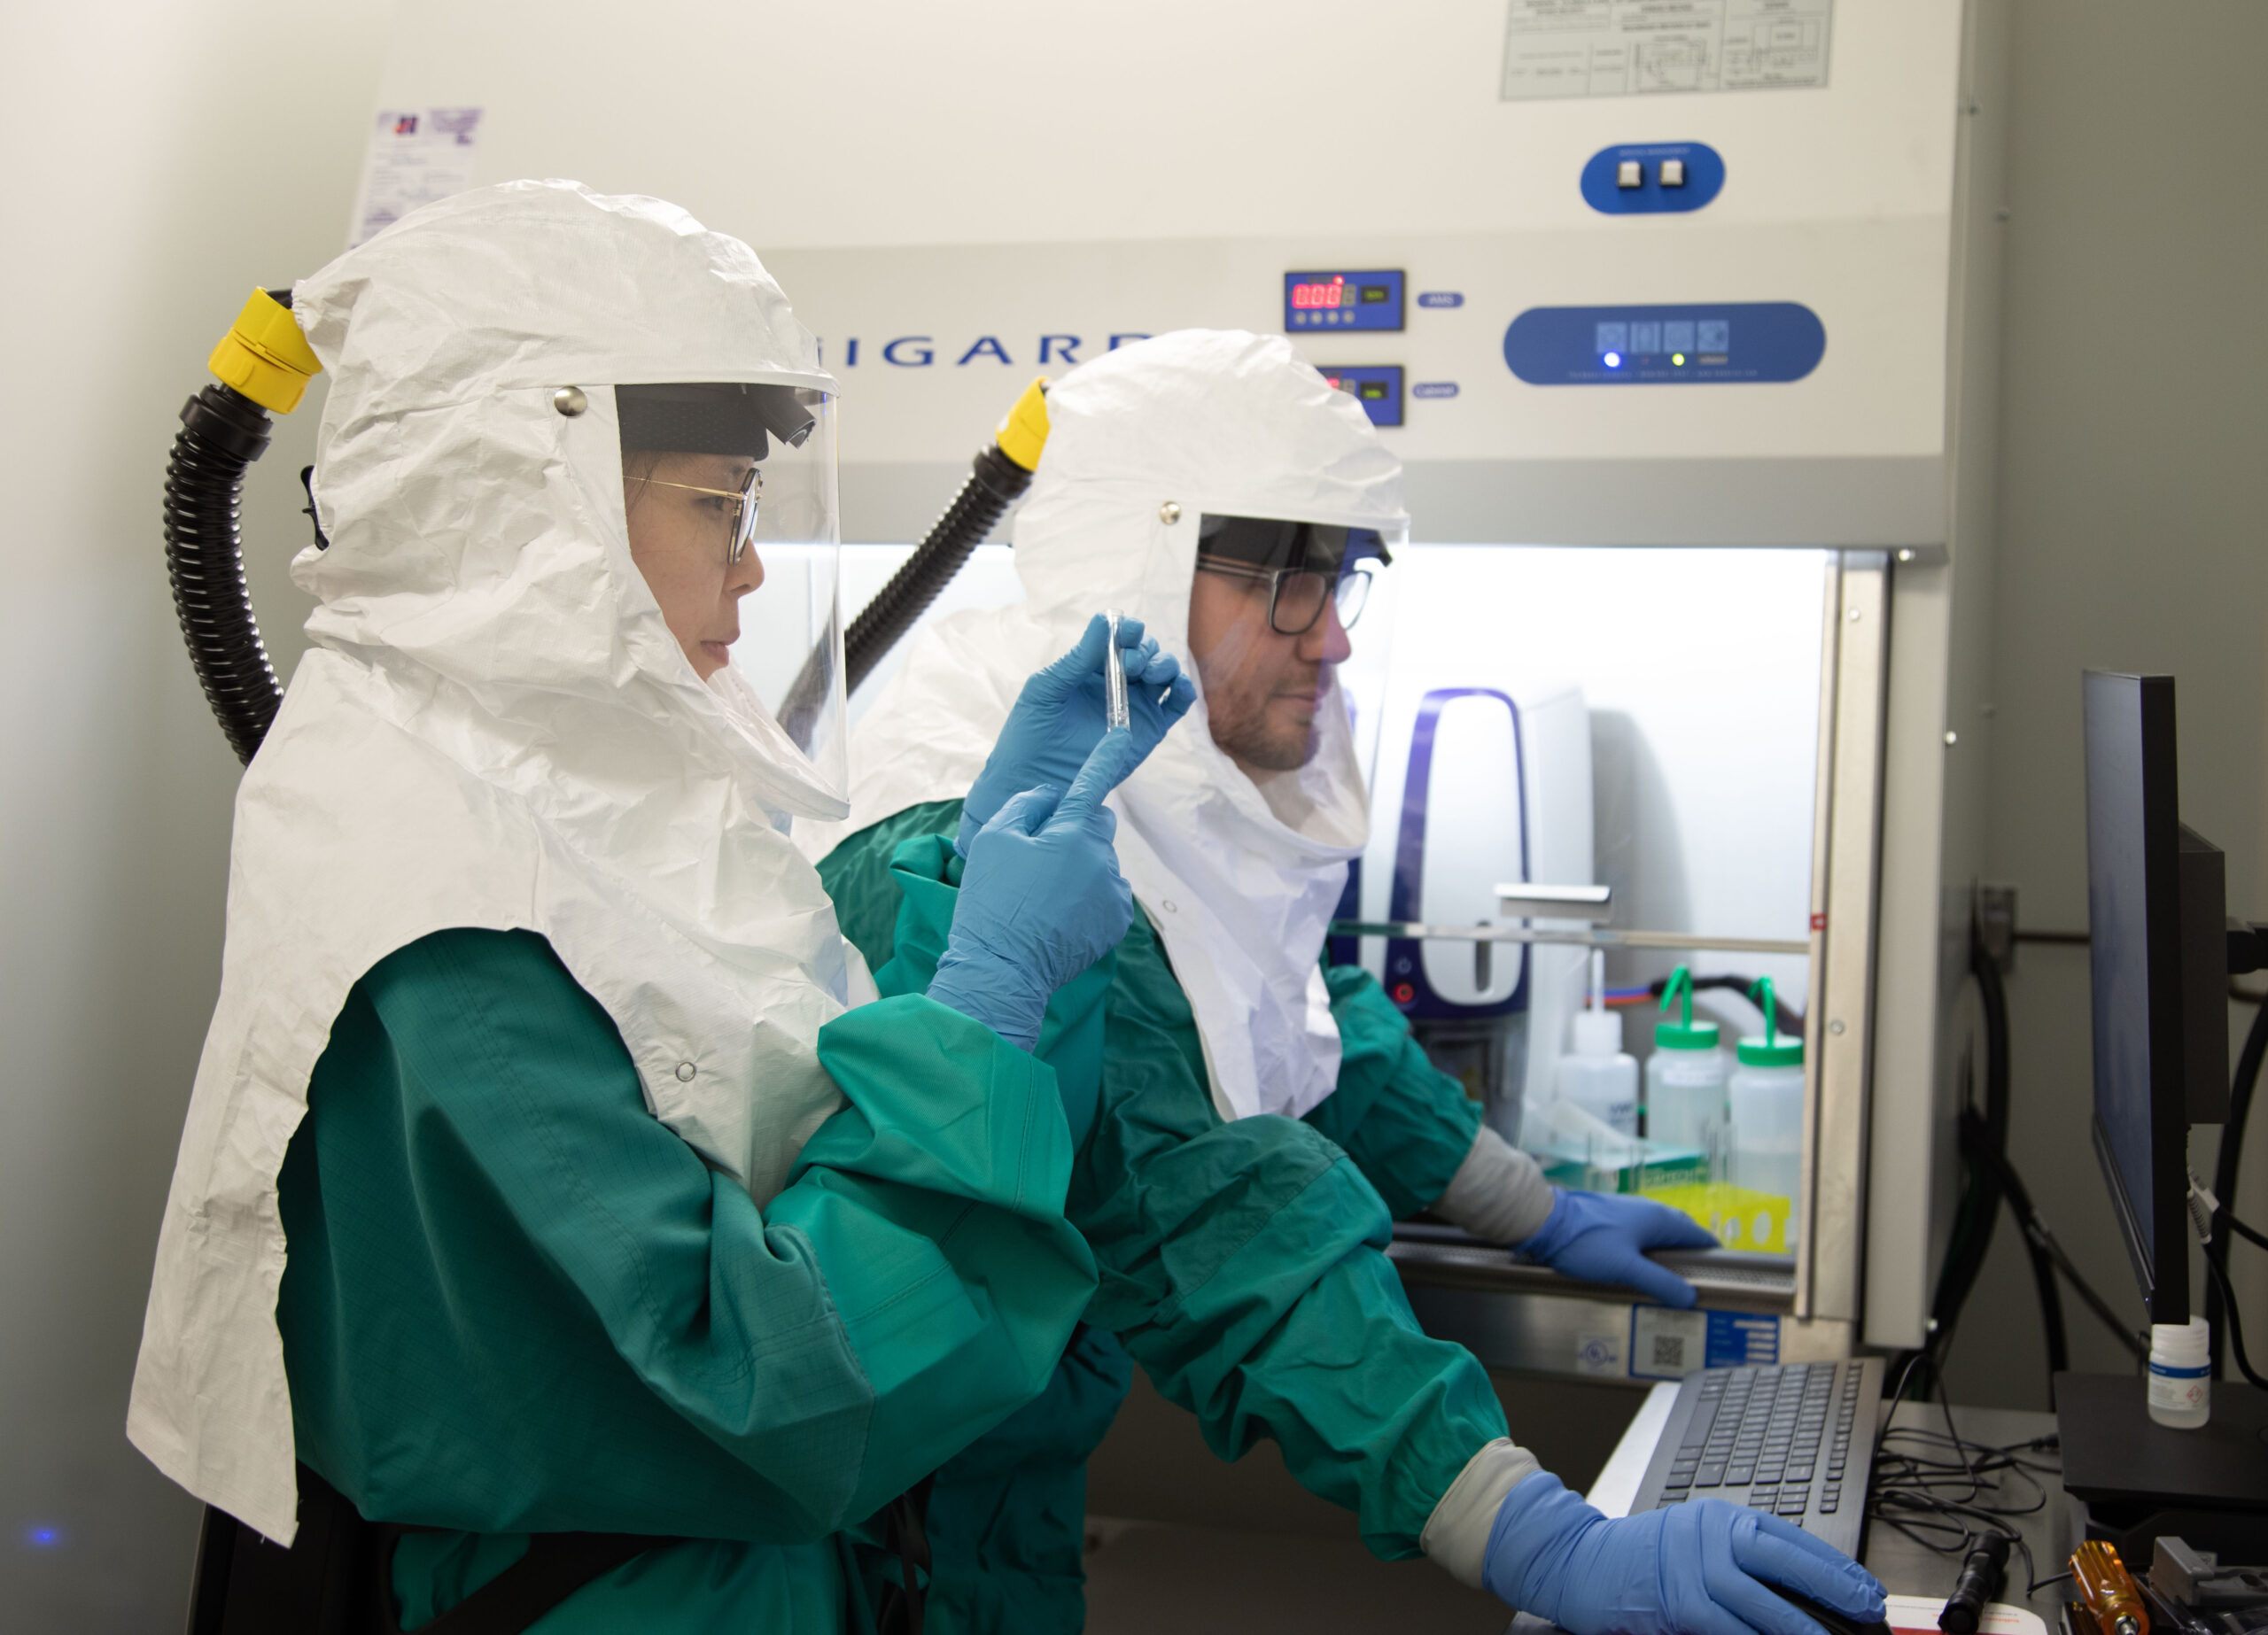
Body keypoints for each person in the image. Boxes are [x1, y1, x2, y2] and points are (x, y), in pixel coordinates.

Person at [127, 180, 1192, 1631]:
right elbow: (773, 1388)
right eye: (723, 504)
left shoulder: (548, 796)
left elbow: (757, 1089)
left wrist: (960, 871)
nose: (753, 565)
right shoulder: (449, 922)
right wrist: (992, 992)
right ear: (528, 498)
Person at [815, 329, 1884, 1634]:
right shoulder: (974, 818)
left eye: (1338, 581)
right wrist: (1527, 1527)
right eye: (1279, 582)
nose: (1327, 639)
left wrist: (1526, 1207)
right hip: (895, 1519)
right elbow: (1208, 1204)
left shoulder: (1174, 765)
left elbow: (1292, 1003)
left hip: (1008, 1464)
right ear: (1137, 569)